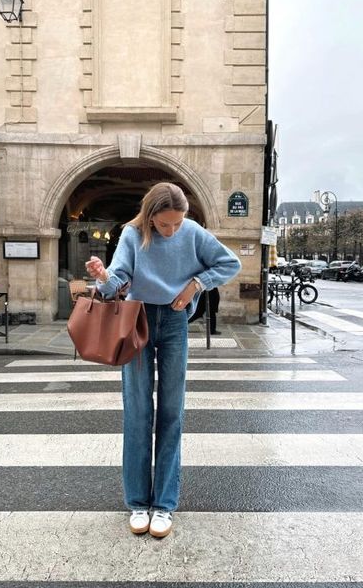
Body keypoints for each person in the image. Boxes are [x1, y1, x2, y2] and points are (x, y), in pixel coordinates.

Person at [85, 182, 241, 538]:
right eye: (164, 224)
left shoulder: (192, 232)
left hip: (174, 321)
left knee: (172, 411)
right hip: (135, 319)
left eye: (177, 223)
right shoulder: (132, 234)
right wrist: (104, 276)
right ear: (150, 215)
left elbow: (230, 263)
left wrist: (196, 285)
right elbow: (118, 282)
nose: (171, 230)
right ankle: (138, 502)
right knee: (138, 409)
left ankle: (165, 504)